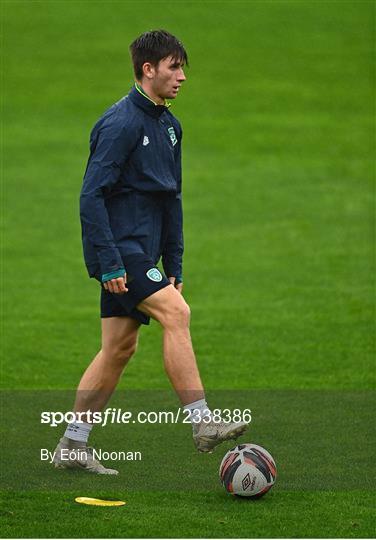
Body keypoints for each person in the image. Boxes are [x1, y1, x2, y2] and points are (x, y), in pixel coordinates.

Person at [53, 30, 247, 475]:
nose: (181, 76)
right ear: (148, 69)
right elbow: (91, 196)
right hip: (120, 252)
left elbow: (170, 198)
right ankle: (202, 423)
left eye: (182, 68)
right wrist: (110, 262)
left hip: (143, 253)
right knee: (176, 314)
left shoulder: (170, 126)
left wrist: (174, 264)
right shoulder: (120, 124)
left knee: (118, 349)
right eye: (174, 67)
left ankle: (72, 444)